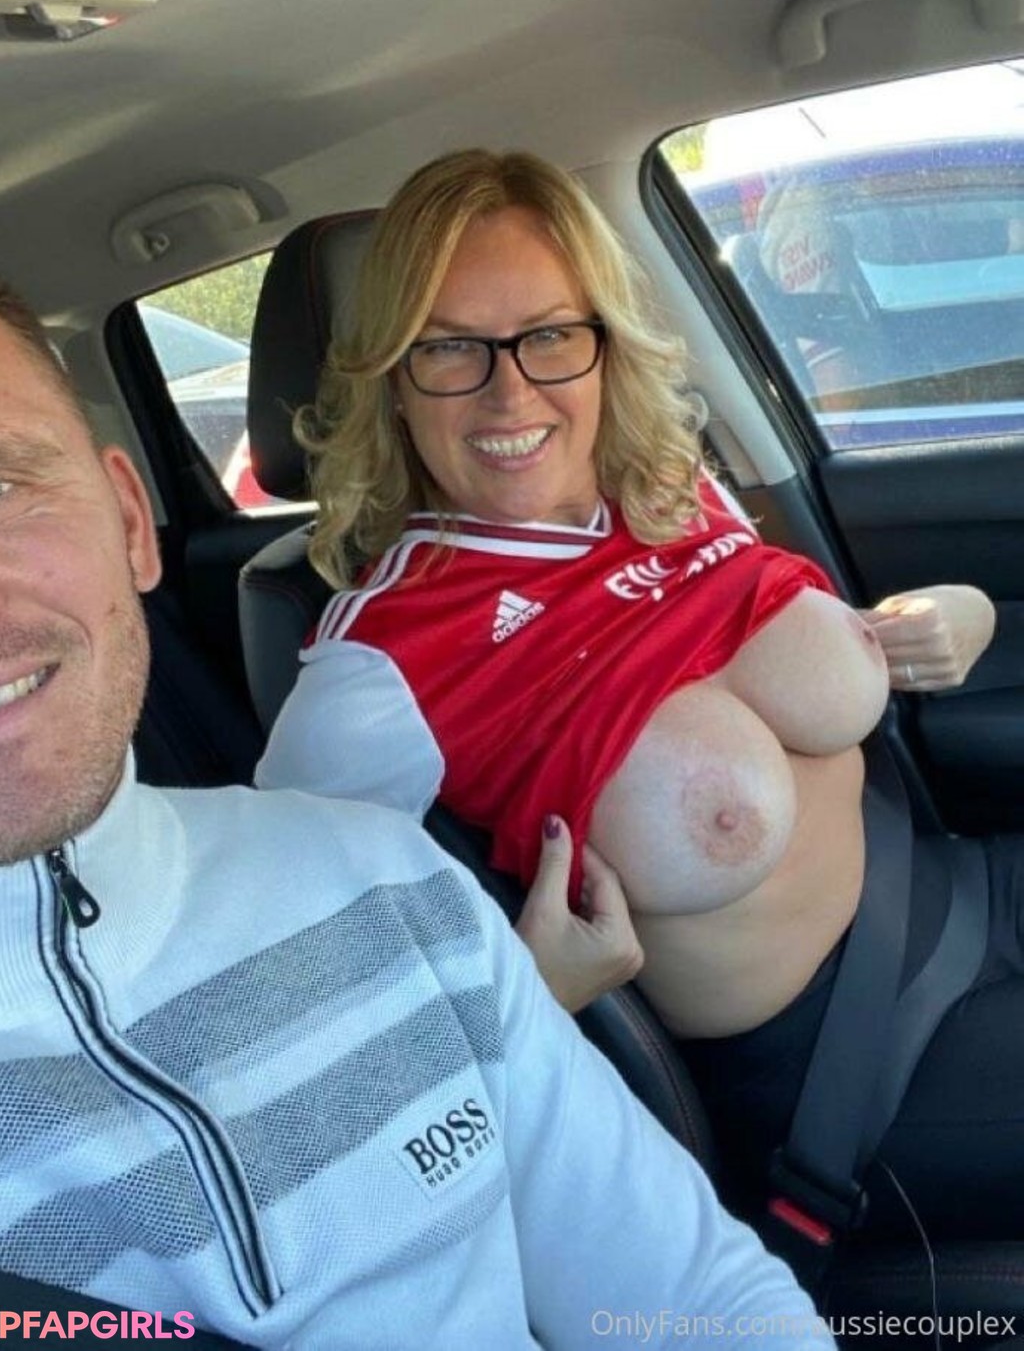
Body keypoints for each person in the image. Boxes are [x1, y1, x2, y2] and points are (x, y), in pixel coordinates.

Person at [0, 250, 835, 1347]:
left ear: (129, 520)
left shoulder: (383, 880)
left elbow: (700, 1308)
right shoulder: (383, 663)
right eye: (449, 351)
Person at [256, 150, 1024, 1241]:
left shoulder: (666, 491)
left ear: (606, 342)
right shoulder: (377, 665)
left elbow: (788, 665)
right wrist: (528, 994)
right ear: (392, 378)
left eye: (549, 335)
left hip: (965, 889)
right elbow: (286, 1008)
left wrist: (956, 614)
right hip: (847, 1085)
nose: (510, 391)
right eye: (449, 347)